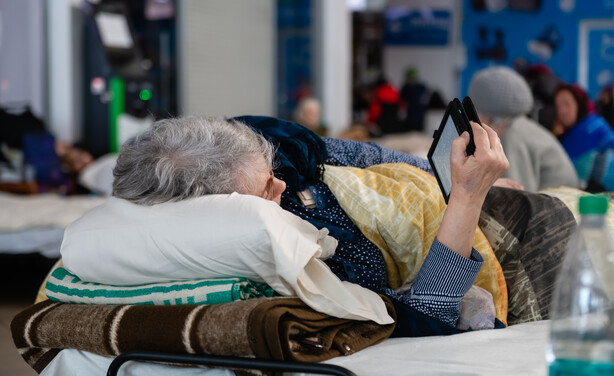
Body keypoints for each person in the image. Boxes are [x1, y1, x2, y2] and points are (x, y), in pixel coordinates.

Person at [112, 115, 509, 337]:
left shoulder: (257, 145)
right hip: (463, 228)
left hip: (446, 192)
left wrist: (441, 175)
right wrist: (467, 196)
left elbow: (353, 153)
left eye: (272, 171)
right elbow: (427, 315)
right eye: (266, 188)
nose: (282, 186)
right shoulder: (291, 266)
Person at [467, 66, 578, 192]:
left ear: (490, 115)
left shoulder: (512, 135)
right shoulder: (520, 125)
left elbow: (517, 192)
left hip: (558, 201)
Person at [552, 83, 614, 191]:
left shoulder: (591, 128)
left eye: (567, 104)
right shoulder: (569, 132)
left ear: (579, 104)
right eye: (558, 106)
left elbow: (571, 178)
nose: (562, 111)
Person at [399, 67, 429, 132]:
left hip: (414, 116)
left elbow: (402, 101)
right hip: (415, 116)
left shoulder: (407, 88)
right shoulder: (421, 87)